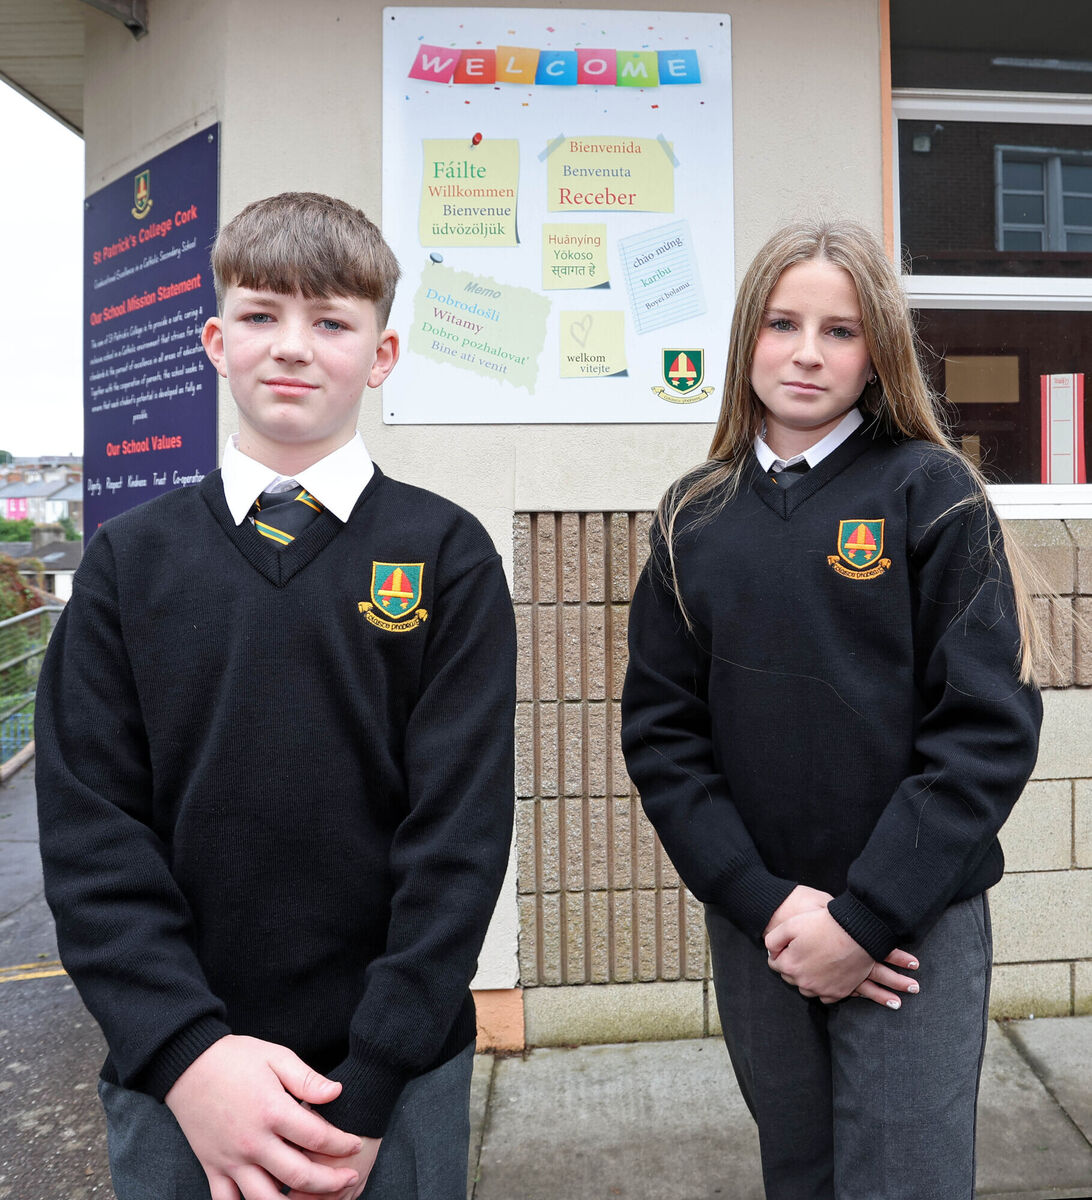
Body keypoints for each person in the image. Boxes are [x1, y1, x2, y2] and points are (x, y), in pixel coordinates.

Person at [36, 192, 515, 1200]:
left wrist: (378, 1073)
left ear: (380, 355)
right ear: (216, 339)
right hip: (179, 1082)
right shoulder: (129, 566)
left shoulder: (446, 556)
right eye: (261, 315)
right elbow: (93, 836)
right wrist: (188, 1056)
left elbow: (459, 839)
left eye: (331, 321)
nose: (292, 347)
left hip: (395, 1078)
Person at [620, 218, 1042, 1200]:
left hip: (909, 932)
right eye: (782, 322)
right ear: (746, 342)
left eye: (840, 330)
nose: (807, 352)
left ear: (878, 353)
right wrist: (767, 903)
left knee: (904, 1180)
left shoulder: (931, 498)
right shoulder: (693, 518)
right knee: (799, 1176)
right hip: (759, 926)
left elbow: (984, 735)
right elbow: (663, 738)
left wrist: (865, 917)